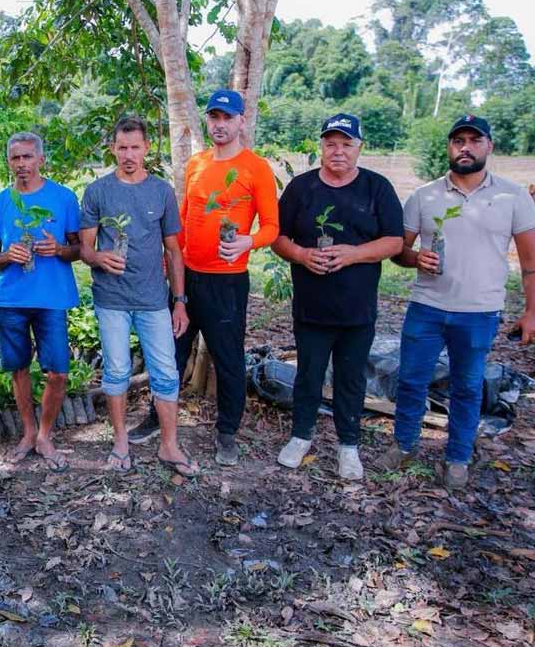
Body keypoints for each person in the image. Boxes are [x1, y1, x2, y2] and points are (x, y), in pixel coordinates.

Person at [128, 90, 279, 467]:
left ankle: (227, 432)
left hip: (227, 281)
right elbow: (182, 216)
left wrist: (248, 240)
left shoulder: (256, 168)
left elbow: (273, 227)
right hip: (186, 279)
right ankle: (157, 418)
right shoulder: (196, 163)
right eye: (214, 118)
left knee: (228, 360)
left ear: (242, 121)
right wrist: (170, 263)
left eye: (227, 118)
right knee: (169, 353)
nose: (220, 125)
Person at [385, 115, 535, 489]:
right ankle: (404, 444)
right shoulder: (424, 196)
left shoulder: (513, 196)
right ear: (449, 147)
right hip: (427, 305)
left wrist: (531, 312)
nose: (464, 147)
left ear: (489, 146)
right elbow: (398, 251)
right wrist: (415, 258)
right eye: (457, 140)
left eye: (474, 139)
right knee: (411, 379)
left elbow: (531, 263)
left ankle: (457, 458)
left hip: (479, 312)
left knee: (468, 386)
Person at [271, 114, 404, 479]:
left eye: (347, 144)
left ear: (359, 148)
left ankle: (349, 446)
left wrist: (352, 254)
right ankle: (301, 437)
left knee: (351, 378)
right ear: (321, 147)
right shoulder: (302, 189)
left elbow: (395, 241)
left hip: (357, 309)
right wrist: (301, 255)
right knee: (309, 374)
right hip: (312, 306)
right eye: (331, 143)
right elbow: (278, 237)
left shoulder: (377, 188)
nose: (338, 151)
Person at [79, 115, 198, 476]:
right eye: (122, 147)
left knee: (165, 372)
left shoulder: (161, 191)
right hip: (111, 298)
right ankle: (119, 442)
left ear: (147, 148)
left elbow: (174, 252)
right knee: (115, 372)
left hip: (153, 300)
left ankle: (169, 445)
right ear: (112, 148)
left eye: (135, 147)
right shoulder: (98, 191)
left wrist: (179, 301)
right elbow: (85, 249)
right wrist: (99, 257)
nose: (128, 154)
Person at [0, 132, 80, 471]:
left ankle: (45, 434)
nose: (21, 164)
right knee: (18, 367)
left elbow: (78, 249)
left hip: (52, 298)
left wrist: (59, 250)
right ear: (8, 162)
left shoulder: (64, 198)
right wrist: (8, 255)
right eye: (15, 158)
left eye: (27, 157)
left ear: (41, 159)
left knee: (58, 371)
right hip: (12, 298)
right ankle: (28, 432)